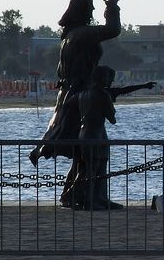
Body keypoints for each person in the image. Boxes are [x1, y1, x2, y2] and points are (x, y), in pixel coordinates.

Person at [29, 0, 122, 202]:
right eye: (90, 5)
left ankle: (83, 195)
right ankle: (86, 196)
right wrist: (112, 8)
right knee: (95, 150)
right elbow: (112, 29)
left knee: (85, 153)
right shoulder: (80, 34)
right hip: (80, 96)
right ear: (82, 9)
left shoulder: (71, 35)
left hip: (74, 95)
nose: (93, 10)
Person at [60, 66, 156, 210]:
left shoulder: (82, 94)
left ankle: (98, 197)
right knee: (92, 169)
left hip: (85, 133)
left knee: (95, 167)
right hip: (96, 134)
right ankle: (79, 197)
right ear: (101, 78)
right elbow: (112, 118)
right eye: (108, 78)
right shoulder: (103, 95)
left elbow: (66, 104)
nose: (110, 81)